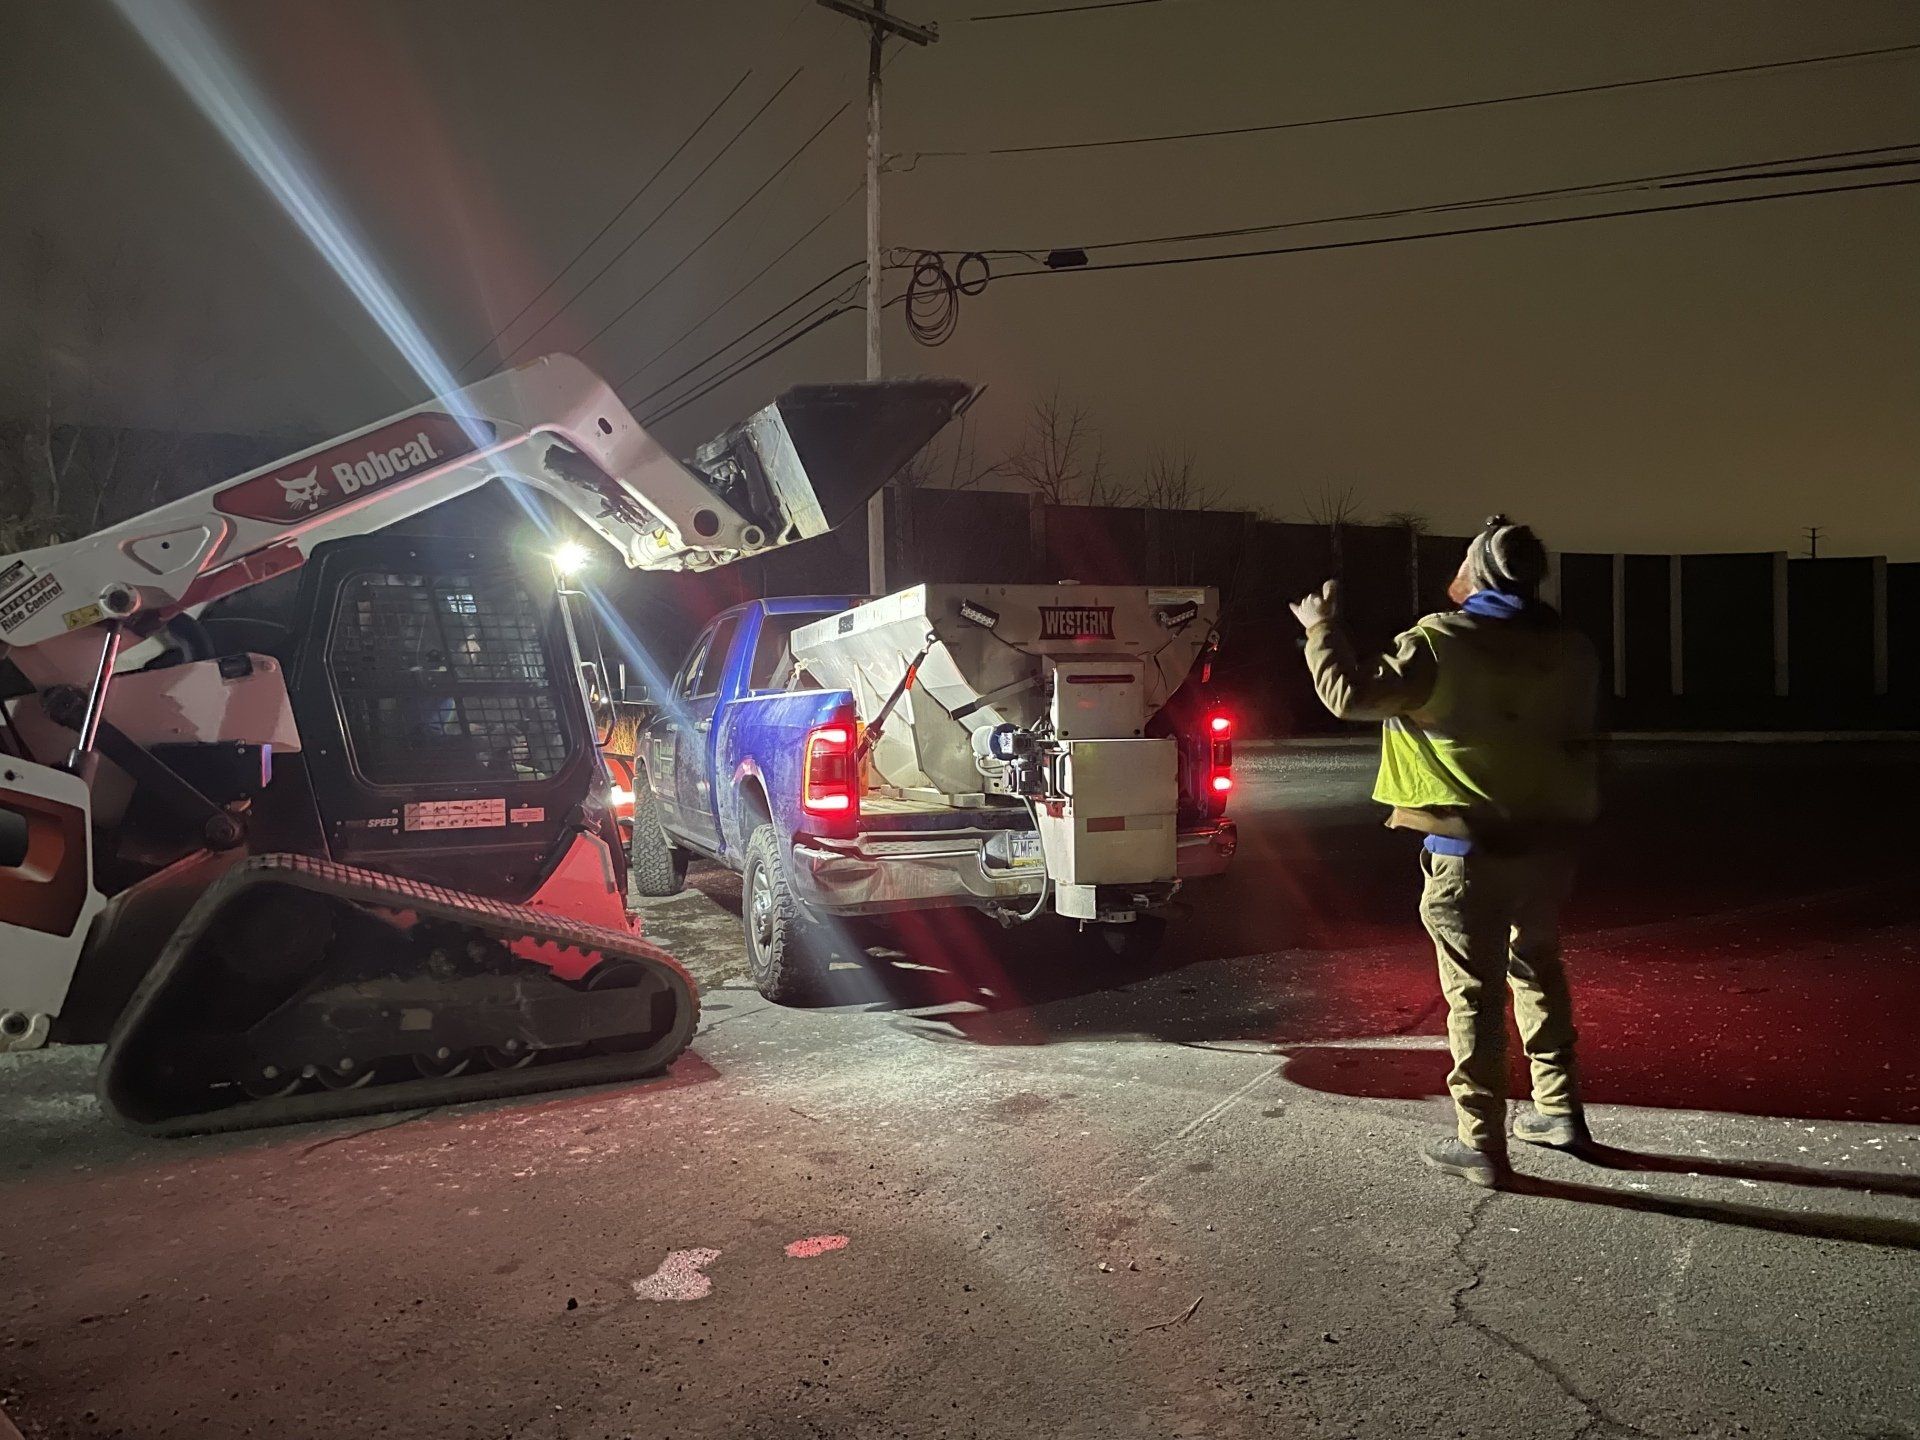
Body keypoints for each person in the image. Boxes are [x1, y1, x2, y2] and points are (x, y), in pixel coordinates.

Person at [1288, 516, 1600, 1186]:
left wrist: (1321, 628)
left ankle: (1481, 1143)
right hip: (1547, 845)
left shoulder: (1440, 642)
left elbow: (1349, 696)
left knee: (1476, 996)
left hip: (1467, 847)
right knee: (1538, 970)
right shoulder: (1571, 649)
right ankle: (1560, 1110)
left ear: (1482, 570)